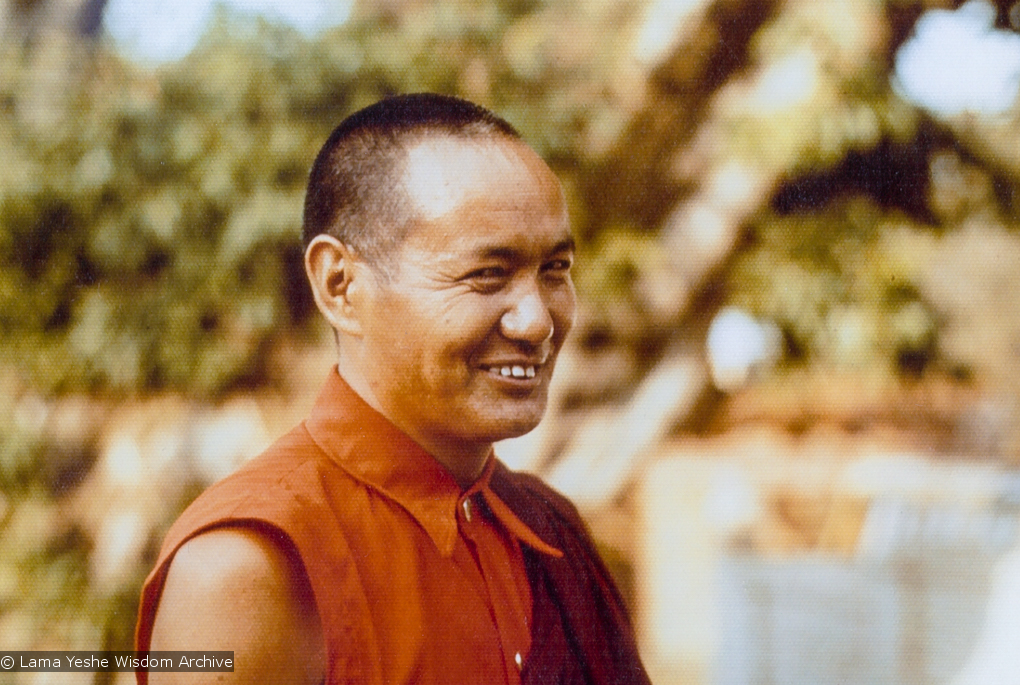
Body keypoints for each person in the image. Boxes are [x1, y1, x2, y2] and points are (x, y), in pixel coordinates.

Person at [135, 93, 650, 685]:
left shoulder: (548, 534)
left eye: (555, 270)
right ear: (340, 286)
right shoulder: (250, 566)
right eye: (487, 274)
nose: (536, 320)